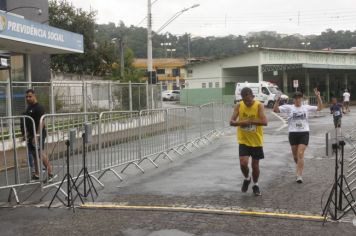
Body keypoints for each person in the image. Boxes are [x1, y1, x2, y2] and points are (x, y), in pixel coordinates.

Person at [273, 89, 322, 183]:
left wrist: (318, 97)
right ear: (293, 100)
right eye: (296, 98)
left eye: (299, 98)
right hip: (293, 133)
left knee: (300, 154)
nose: (298, 100)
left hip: (304, 132)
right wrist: (277, 101)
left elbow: (319, 108)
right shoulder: (289, 107)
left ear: (302, 99)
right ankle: (299, 166)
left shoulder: (306, 107)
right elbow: (275, 110)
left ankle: (299, 175)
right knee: (295, 157)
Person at [230, 87, 268, 196]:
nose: (247, 103)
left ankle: (255, 184)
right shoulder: (239, 106)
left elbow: (264, 122)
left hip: (256, 141)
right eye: (245, 100)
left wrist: (251, 121)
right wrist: (242, 123)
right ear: (241, 98)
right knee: (243, 163)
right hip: (243, 140)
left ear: (253, 97)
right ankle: (247, 178)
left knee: (255, 166)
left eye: (249, 100)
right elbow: (231, 122)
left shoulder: (259, 105)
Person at [23, 89, 56, 181]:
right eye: (26, 97)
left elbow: (42, 123)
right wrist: (26, 133)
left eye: (30, 96)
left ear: (34, 96)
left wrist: (37, 135)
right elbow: (29, 122)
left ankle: (50, 173)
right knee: (34, 154)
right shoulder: (29, 107)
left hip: (38, 134)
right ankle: (37, 174)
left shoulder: (39, 107)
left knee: (40, 153)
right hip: (31, 134)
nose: (28, 98)